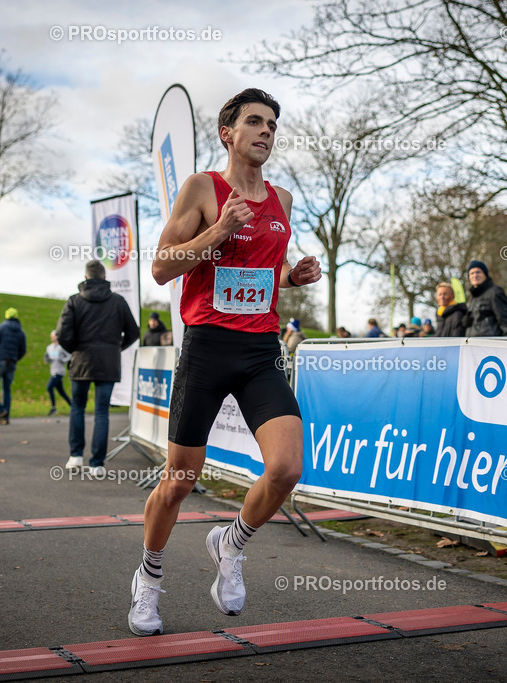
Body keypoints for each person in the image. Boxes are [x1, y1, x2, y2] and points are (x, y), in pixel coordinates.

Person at [131, 88, 322, 637]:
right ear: (227, 134)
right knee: (179, 481)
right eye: (254, 122)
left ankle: (231, 543)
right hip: (208, 345)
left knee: (286, 469)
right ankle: (149, 575)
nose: (265, 132)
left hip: (261, 349)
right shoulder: (202, 188)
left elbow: (265, 268)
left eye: (271, 125)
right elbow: (163, 268)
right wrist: (218, 231)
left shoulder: (281, 199)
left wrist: (293, 276)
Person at [57, 260, 139, 473]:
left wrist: (76, 349)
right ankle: (97, 464)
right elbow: (133, 332)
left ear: (86, 277)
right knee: (102, 411)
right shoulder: (118, 301)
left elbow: (62, 335)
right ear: (104, 277)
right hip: (108, 362)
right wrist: (116, 348)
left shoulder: (74, 301)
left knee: (78, 408)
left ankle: (75, 456)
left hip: (81, 361)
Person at [0, 308, 27, 425]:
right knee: (6, 389)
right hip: (11, 363)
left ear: (6, 316)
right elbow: (23, 350)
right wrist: (15, 359)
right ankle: (5, 417)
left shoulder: (0, 328)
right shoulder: (21, 332)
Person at [464, 260, 507, 337]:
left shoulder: (495, 292)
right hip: (474, 345)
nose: (475, 275)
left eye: (478, 272)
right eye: (472, 273)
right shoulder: (473, 297)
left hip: (490, 345)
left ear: (485, 274)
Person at [44, 330, 72, 416]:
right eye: (52, 336)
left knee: (49, 387)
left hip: (59, 371)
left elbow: (69, 356)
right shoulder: (49, 347)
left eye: (55, 336)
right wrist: (46, 358)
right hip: (53, 371)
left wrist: (62, 359)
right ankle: (73, 406)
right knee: (61, 392)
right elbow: (47, 360)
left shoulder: (61, 347)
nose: (54, 337)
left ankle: (53, 408)